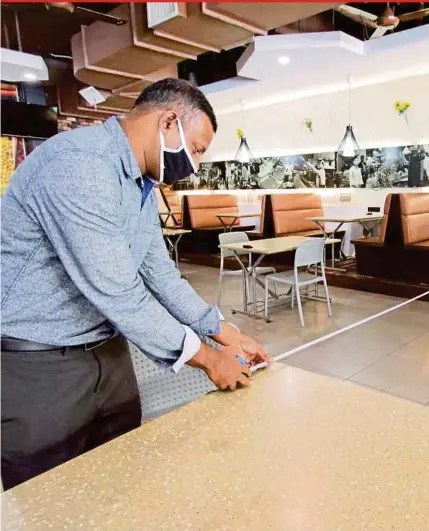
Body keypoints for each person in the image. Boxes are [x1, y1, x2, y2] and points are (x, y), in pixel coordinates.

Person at [1, 78, 270, 489]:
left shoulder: (140, 181)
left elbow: (158, 273)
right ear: (168, 122)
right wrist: (209, 359)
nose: (195, 165)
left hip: (109, 354)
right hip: (41, 366)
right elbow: (119, 291)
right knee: (50, 499)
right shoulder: (79, 165)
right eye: (196, 149)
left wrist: (222, 331)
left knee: (122, 482)